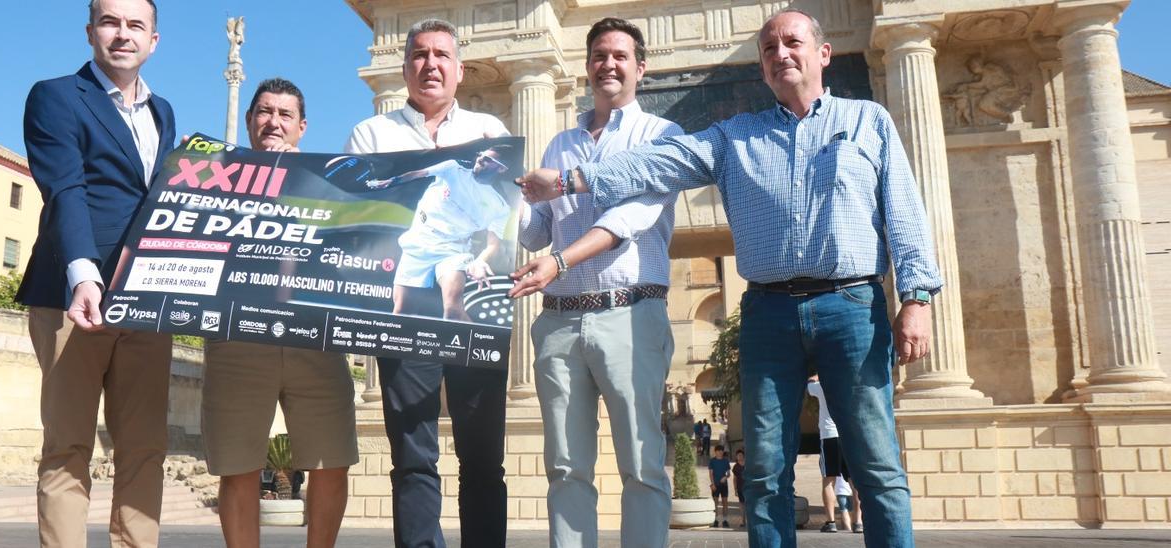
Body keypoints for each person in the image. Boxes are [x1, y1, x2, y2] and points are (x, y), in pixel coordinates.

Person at [515, 8, 939, 548]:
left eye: (792, 43)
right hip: (768, 314)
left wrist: (918, 297)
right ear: (760, 67)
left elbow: (904, 214)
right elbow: (653, 165)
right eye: (768, 48)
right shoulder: (733, 136)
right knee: (763, 473)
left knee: (877, 465)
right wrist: (574, 179)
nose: (780, 54)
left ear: (823, 54)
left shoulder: (869, 121)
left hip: (850, 304)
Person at [504, 17, 682, 548]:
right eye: (599, 55)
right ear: (586, 67)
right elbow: (537, 232)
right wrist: (495, 194)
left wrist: (558, 261)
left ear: (640, 68)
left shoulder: (661, 136)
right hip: (558, 322)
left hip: (630, 313)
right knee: (564, 466)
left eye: (620, 56)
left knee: (643, 463)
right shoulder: (559, 143)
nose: (608, 64)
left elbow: (629, 221)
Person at [344, 17, 509, 547]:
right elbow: (361, 222)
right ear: (406, 67)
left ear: (459, 70)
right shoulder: (372, 134)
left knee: (483, 454)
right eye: (419, 55)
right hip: (406, 307)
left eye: (441, 55)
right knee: (413, 454)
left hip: (474, 307)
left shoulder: (491, 135)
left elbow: (505, 222)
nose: (430, 64)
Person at [16, 1, 174, 546]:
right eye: (111, 22)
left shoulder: (164, 113)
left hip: (146, 302)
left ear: (154, 40)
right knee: (67, 447)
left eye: (136, 25)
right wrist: (83, 276)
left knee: (146, 447)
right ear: (90, 32)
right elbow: (65, 189)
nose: (122, 34)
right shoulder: (55, 96)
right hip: (70, 296)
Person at [201, 78, 358, 548]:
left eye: (284, 115)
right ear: (250, 121)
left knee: (332, 461)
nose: (274, 122)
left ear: (302, 127)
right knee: (238, 465)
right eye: (265, 112)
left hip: (315, 337)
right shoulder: (216, 175)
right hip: (237, 336)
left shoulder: (327, 181)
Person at [365, 145, 515, 321]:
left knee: (452, 310)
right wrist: (390, 181)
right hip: (419, 243)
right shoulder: (452, 168)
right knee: (402, 312)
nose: (481, 159)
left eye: (489, 159)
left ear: (502, 168)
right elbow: (417, 174)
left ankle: (473, 346)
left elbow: (493, 244)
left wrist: (481, 261)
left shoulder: (500, 206)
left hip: (453, 251)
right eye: (481, 154)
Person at [808, 374, 861, 534]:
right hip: (849, 434)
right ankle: (858, 522)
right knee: (855, 481)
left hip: (829, 435)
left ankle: (831, 522)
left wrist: (815, 376)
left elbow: (809, 387)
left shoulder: (822, 385)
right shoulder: (850, 383)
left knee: (828, 481)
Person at [708, 445, 731, 528]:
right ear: (715, 451)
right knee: (715, 503)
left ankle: (725, 520)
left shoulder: (726, 461)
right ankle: (716, 520)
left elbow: (729, 474)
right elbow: (711, 474)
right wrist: (713, 484)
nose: (720, 452)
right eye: (718, 450)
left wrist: (725, 477)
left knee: (725, 503)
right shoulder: (712, 461)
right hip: (715, 485)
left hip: (724, 485)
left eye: (722, 450)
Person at [732, 449, 747, 528]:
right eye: (738, 456)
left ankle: (749, 521)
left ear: (744, 456)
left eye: (741, 455)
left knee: (749, 504)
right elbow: (734, 479)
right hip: (740, 488)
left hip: (748, 488)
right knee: (742, 505)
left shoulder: (748, 464)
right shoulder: (735, 466)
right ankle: (743, 521)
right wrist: (735, 489)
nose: (739, 457)